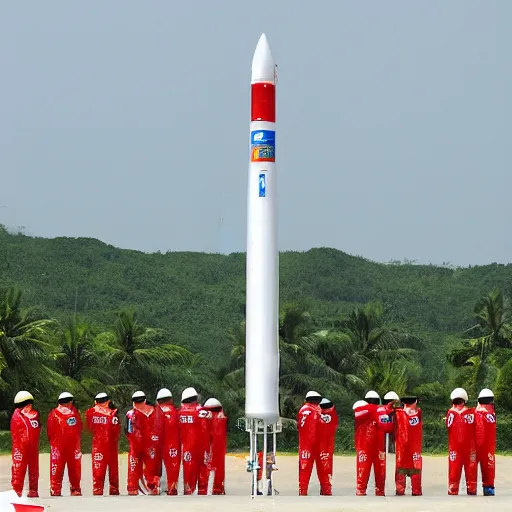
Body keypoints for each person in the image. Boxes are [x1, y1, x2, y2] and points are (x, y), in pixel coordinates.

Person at [353, 391, 393, 496]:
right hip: (379, 445)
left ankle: (360, 490)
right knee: (380, 468)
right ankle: (380, 491)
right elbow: (387, 427)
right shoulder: (381, 410)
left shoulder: (360, 410)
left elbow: (357, 417)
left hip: (363, 444)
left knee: (362, 467)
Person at [125, 390, 163, 496]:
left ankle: (133, 489)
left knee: (134, 466)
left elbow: (128, 431)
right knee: (151, 467)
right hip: (152, 444)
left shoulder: (131, 413)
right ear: (145, 400)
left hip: (136, 444)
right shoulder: (155, 411)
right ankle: (153, 487)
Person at [47, 392, 83, 497]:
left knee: (58, 468)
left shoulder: (54, 413)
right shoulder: (74, 413)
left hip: (59, 446)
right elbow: (79, 427)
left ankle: (55, 489)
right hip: (68, 445)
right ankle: (75, 489)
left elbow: (50, 431)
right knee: (73, 468)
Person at [85, 392, 121, 496]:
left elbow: (89, 427)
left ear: (96, 402)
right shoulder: (113, 413)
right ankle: (114, 490)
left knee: (98, 467)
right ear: (108, 401)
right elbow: (117, 430)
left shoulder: (90, 412)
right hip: (112, 444)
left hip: (98, 444)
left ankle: (97, 490)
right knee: (113, 468)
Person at [178, 387, 211, 495]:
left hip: (188, 448)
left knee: (189, 471)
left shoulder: (179, 413)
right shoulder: (203, 412)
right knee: (203, 470)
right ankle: (202, 491)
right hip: (203, 447)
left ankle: (189, 491)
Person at [445, 387, 477, 495]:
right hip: (469, 447)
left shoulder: (451, 413)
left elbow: (448, 426)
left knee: (454, 469)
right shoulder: (472, 413)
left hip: (455, 447)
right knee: (470, 468)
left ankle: (453, 489)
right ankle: (471, 488)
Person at [10, 391, 41, 498]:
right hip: (20, 447)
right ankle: (16, 491)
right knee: (18, 468)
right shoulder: (17, 415)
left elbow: (37, 429)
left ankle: (33, 490)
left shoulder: (34, 414)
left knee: (33, 469)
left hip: (31, 446)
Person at [393, 396, 422, 496]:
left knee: (401, 469)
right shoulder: (418, 413)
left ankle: (400, 490)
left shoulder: (397, 413)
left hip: (402, 448)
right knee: (416, 470)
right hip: (415, 448)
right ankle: (416, 490)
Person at [156, 388, 181, 495]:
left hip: (158, 444)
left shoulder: (155, 412)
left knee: (158, 466)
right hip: (173, 445)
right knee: (172, 467)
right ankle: (172, 488)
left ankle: (159, 487)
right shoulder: (177, 412)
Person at [297, 390, 322, 496]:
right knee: (323, 468)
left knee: (304, 467)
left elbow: (299, 426)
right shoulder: (316, 409)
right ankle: (325, 490)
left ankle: (302, 490)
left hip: (304, 443)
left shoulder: (302, 410)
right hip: (316, 443)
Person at [203, 397, 228, 495]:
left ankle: (211, 487)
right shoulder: (221, 419)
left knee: (211, 464)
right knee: (215, 464)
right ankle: (217, 487)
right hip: (214, 448)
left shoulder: (216, 420)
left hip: (213, 447)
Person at [475, 388, 496, 496]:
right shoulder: (492, 412)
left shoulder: (477, 411)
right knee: (489, 466)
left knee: (472, 466)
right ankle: (489, 489)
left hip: (476, 445)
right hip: (489, 446)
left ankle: (471, 488)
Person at [317, 398, 338, 496]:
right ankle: (326, 489)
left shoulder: (318, 413)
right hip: (328, 445)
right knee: (327, 467)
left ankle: (325, 489)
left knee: (323, 467)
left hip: (320, 443)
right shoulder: (333, 414)